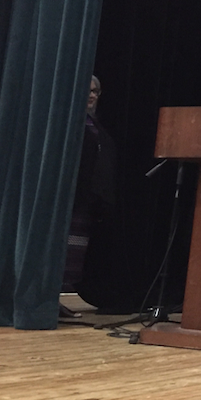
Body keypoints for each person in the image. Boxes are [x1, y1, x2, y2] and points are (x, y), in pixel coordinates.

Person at [62, 75, 117, 318]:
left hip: (87, 202)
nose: (93, 95)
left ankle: (55, 300)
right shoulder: (69, 124)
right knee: (60, 251)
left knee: (74, 256)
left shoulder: (94, 124)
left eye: (96, 91)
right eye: (88, 91)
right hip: (69, 199)